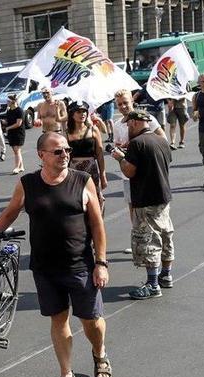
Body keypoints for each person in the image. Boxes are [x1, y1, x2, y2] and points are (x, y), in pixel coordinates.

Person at [0, 132, 110, 377]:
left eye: (67, 150)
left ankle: (99, 354)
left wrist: (101, 262)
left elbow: (98, 224)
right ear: (41, 155)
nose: (65, 154)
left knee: (91, 321)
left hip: (81, 266)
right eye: (58, 151)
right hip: (45, 268)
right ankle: (66, 375)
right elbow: (10, 213)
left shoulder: (82, 180)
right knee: (58, 319)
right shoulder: (27, 183)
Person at [111, 110, 175, 300]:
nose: (128, 128)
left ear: (136, 123)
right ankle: (166, 275)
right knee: (165, 235)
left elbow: (130, 171)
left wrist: (120, 158)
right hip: (163, 196)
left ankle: (153, 284)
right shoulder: (161, 140)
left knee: (148, 240)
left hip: (145, 198)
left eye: (129, 124)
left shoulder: (137, 143)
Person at [113, 89, 168, 254]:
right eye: (119, 104)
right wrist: (120, 150)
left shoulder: (145, 118)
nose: (123, 106)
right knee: (133, 207)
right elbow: (118, 144)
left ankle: (159, 243)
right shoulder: (117, 124)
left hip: (147, 172)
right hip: (128, 172)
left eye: (125, 102)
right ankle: (140, 239)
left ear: (132, 100)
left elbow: (162, 139)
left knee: (152, 208)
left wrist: (139, 146)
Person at [66, 100, 107, 208]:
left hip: (91, 169)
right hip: (74, 171)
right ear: (72, 114)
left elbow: (99, 154)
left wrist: (103, 174)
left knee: (95, 198)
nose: (82, 114)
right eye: (78, 112)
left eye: (84, 111)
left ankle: (97, 223)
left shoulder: (93, 130)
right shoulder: (66, 133)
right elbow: (65, 156)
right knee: (77, 199)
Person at [3, 93, 26, 174]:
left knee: (17, 150)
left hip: (18, 132)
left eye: (8, 101)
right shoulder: (9, 110)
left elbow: (18, 123)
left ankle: (17, 167)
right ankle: (21, 166)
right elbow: (9, 121)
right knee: (16, 150)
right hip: (11, 133)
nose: (7, 102)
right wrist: (4, 122)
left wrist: (8, 128)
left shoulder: (19, 110)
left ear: (13, 101)